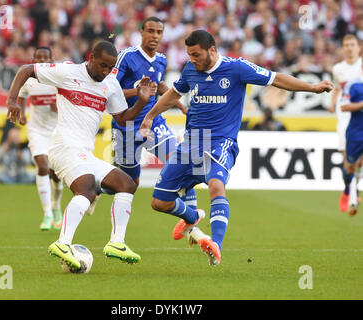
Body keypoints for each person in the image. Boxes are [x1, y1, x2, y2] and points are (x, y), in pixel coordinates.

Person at [140, 30, 333, 266]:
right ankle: (193, 216)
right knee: (159, 202)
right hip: (191, 143)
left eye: (196, 54)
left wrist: (312, 88)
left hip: (222, 141)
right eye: (190, 55)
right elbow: (173, 94)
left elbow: (277, 78)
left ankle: (216, 246)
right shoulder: (190, 70)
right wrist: (150, 116)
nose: (193, 59)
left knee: (215, 185)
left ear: (212, 50)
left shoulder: (237, 68)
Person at [6, 41, 152, 271]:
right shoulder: (68, 71)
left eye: (110, 67)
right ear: (91, 57)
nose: (105, 72)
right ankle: (63, 243)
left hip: (84, 153)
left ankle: (117, 243)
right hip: (64, 147)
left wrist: (142, 102)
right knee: (86, 189)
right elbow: (26, 70)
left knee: (126, 184)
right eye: (102, 65)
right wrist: (13, 100)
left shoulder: (110, 84)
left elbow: (122, 118)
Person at [94, 17, 197, 216]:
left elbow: (160, 87)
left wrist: (182, 108)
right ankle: (99, 188)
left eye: (159, 32)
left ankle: (192, 218)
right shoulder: (126, 56)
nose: (154, 36)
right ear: (141, 32)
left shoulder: (161, 59)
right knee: (130, 183)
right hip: (126, 125)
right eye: (150, 31)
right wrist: (139, 92)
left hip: (153, 121)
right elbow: (108, 89)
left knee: (180, 160)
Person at [17, 47, 64, 231]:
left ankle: (56, 206)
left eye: (46, 57)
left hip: (57, 131)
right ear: (34, 59)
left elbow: (69, 100)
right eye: (39, 57)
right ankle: (47, 214)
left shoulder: (58, 79)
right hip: (37, 130)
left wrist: (58, 106)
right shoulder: (29, 79)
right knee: (42, 166)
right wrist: (21, 113)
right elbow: (21, 96)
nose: (42, 60)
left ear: (52, 60)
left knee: (57, 175)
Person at [328, 34, 363, 213]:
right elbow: (338, 88)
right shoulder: (338, 68)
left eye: (352, 44)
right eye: (346, 44)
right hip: (344, 115)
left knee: (359, 162)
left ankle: (353, 185)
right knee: (347, 157)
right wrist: (333, 103)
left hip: (360, 116)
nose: (349, 48)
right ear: (343, 48)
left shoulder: (361, 66)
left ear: (359, 47)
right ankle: (349, 190)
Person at [338, 75, 363, 216]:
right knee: (350, 167)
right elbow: (343, 106)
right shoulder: (353, 84)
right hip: (356, 133)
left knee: (360, 163)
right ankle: (348, 187)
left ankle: (353, 200)